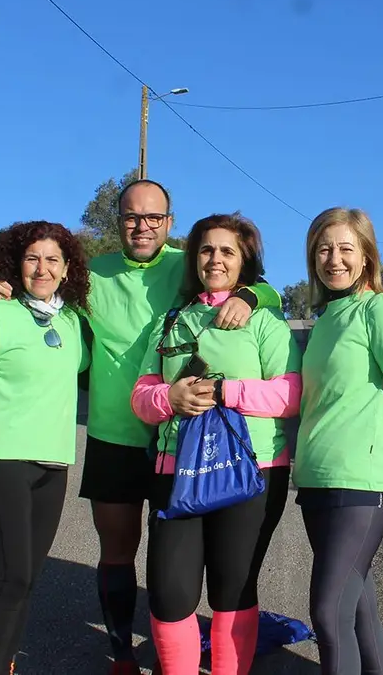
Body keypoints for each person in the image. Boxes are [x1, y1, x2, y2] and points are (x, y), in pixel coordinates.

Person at [0, 179, 281, 674]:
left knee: (182, 568)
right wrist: (6, 287)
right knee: (119, 549)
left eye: (152, 217)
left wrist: (251, 295)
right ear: (116, 219)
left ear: (168, 222)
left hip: (183, 443)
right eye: (129, 216)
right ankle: (123, 653)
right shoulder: (91, 273)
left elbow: (255, 279)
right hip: (115, 432)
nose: (140, 225)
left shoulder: (188, 261)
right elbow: (42, 288)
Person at [130, 212, 302, 675]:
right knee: (169, 593)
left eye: (228, 250)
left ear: (244, 259)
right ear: (195, 258)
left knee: (233, 590)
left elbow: (291, 394)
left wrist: (227, 392)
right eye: (207, 249)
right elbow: (141, 398)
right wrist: (172, 396)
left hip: (253, 471)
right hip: (177, 470)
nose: (216, 259)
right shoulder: (170, 322)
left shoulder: (265, 320)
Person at [0, 220, 91, 675]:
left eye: (52, 259)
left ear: (67, 268)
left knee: (27, 578)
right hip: (2, 459)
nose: (42, 268)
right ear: (16, 264)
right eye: (32, 258)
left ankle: (4, 661)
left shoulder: (73, 322)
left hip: (54, 462)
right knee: (8, 578)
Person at [293, 207, 383, 675]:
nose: (334, 259)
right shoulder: (327, 317)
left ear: (367, 255)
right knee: (357, 601)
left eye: (346, 248)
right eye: (323, 249)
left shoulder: (381, 310)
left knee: (329, 614)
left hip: (364, 480)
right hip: (316, 477)